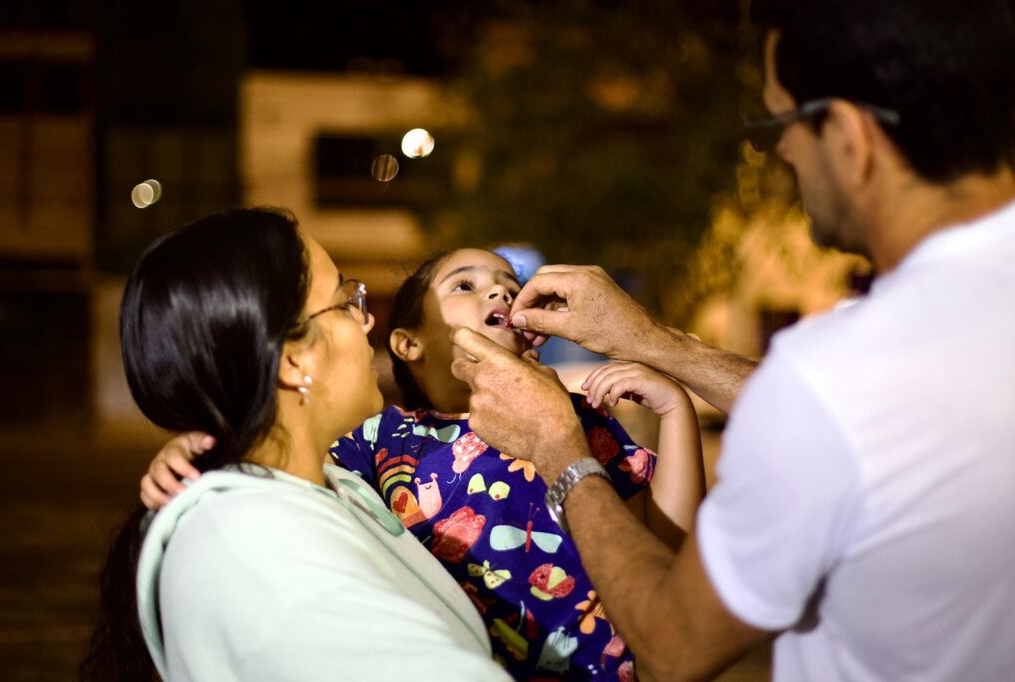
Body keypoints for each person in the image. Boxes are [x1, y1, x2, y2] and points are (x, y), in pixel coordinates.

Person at [447, 1, 1015, 680]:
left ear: (849, 137)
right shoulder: (872, 370)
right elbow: (878, 424)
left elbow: (676, 643)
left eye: (776, 123)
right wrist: (658, 342)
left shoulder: (835, 377)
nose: (774, 150)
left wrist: (560, 452)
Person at [142, 247, 706, 681]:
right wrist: (198, 451)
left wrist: (675, 409)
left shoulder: (574, 421)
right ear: (408, 344)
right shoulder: (379, 439)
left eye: (511, 287)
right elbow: (282, 463)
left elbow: (665, 544)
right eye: (467, 286)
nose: (500, 296)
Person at [80, 208, 511, 681]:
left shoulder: (329, 486)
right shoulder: (260, 550)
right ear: (292, 361)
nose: (366, 323)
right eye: (345, 302)